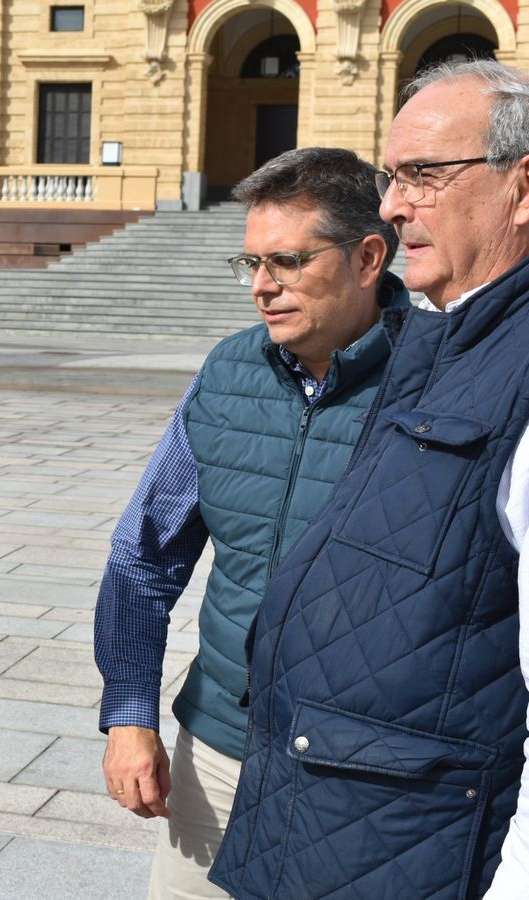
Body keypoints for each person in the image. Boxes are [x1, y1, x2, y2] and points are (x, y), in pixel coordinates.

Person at [210, 60, 529, 899]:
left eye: (422, 175)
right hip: (355, 837)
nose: (390, 204)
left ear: (526, 185)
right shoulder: (458, 328)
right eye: (392, 175)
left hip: (437, 857)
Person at [94, 147, 405, 899]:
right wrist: (130, 715)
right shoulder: (228, 371)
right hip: (220, 753)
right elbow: (144, 556)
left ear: (369, 257)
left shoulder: (439, 383)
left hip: (369, 780)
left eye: (288, 263)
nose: (262, 286)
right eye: (251, 263)